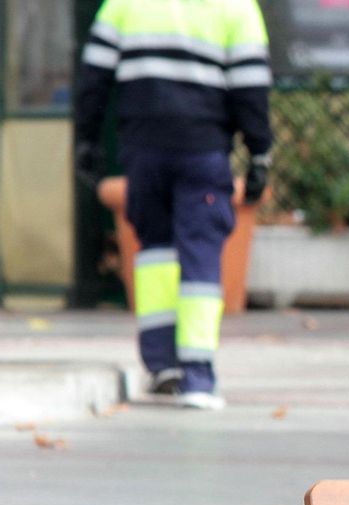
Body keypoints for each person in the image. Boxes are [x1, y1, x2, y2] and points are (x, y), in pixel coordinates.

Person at [74, 0, 273, 411]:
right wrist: (259, 153)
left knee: (155, 254)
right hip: (202, 149)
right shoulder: (237, 8)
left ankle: (162, 366)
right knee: (200, 255)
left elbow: (94, 74)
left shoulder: (124, 5)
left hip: (142, 151)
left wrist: (87, 137)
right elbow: (250, 87)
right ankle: (198, 375)